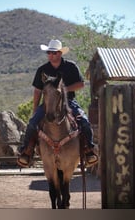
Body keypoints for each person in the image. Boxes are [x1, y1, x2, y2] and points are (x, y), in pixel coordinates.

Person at [17, 39, 98, 168]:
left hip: (68, 101)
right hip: (47, 104)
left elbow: (81, 84)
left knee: (84, 121)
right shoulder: (42, 70)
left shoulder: (71, 66)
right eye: (49, 53)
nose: (51, 55)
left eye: (54, 53)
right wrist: (35, 110)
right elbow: (37, 91)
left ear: (60, 53)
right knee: (32, 123)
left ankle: (89, 150)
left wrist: (64, 90)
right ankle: (27, 152)